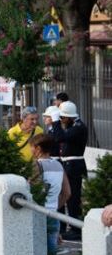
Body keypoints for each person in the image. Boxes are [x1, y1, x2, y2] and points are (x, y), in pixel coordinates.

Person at [28, 133, 70, 255]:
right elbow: (67, 193)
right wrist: (54, 206)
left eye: (31, 147)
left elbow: (33, 192)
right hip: (53, 215)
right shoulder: (59, 166)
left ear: (37, 149)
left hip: (38, 215)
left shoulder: (36, 166)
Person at [53, 101, 87, 240]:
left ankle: (76, 229)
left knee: (73, 198)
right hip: (69, 164)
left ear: (69, 117)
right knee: (69, 197)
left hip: (74, 165)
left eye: (62, 117)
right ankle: (73, 227)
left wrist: (55, 121)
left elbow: (59, 137)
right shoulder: (73, 125)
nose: (61, 120)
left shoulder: (78, 127)